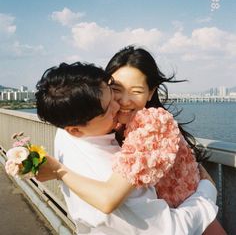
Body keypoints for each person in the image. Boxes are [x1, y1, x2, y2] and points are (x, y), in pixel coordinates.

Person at [36, 61, 218, 235]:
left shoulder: (66, 134)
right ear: (75, 130)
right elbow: (166, 229)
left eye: (110, 91)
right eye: (110, 103)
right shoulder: (114, 177)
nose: (119, 104)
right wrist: (207, 192)